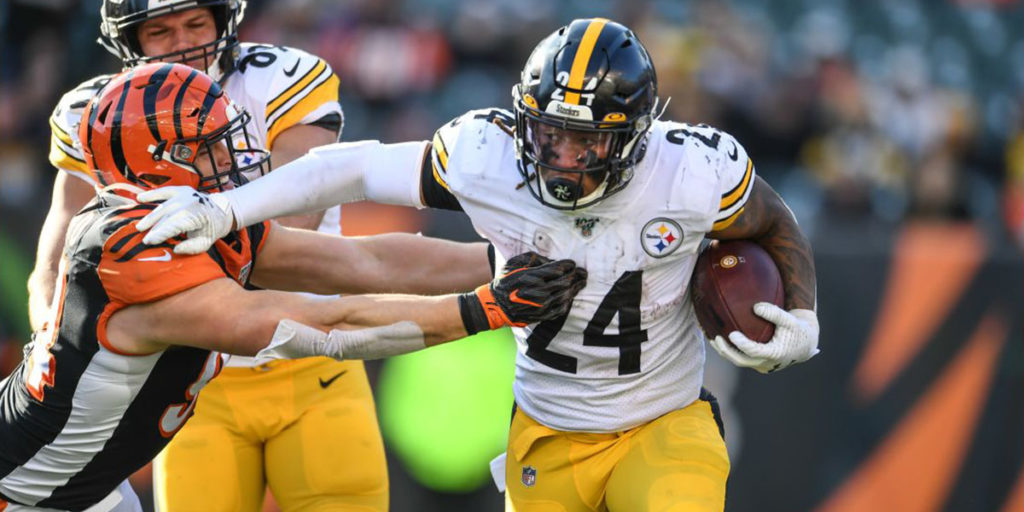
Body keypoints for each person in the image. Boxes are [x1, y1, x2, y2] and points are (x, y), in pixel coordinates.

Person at [136, 18, 821, 512]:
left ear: (635, 140)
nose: (561, 158)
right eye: (549, 134)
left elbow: (773, 220)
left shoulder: (693, 170)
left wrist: (803, 311)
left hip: (663, 421)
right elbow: (348, 168)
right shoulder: (485, 155)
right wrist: (230, 210)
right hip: (545, 431)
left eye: (585, 143)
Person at [0, 63, 586, 512]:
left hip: (88, 486)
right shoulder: (131, 251)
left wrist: (500, 259)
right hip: (26, 491)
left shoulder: (183, 221)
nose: (231, 157)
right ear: (160, 160)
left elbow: (362, 262)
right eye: (209, 146)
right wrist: (485, 309)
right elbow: (319, 326)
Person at [28, 1, 426, 509]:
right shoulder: (98, 112)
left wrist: (157, 258)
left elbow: (283, 229)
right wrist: (52, 339)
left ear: (224, 21)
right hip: (191, 383)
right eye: (161, 31)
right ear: (129, 42)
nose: (184, 43)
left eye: (196, 24)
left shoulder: (280, 79)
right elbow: (57, 256)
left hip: (312, 356)